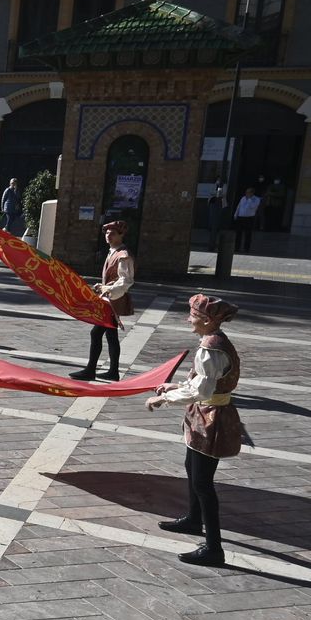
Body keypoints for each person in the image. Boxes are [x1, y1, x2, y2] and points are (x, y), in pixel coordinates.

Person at [147, 294, 247, 566]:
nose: (188, 319)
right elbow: (201, 383)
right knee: (192, 468)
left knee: (203, 482)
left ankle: (214, 548)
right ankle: (193, 520)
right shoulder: (213, 342)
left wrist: (164, 398)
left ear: (206, 319)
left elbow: (202, 390)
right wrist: (174, 387)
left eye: (191, 315)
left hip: (211, 417)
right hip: (205, 413)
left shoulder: (210, 349)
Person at [69, 217, 134, 381]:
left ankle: (91, 370)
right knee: (110, 335)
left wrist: (108, 289)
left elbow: (126, 280)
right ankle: (113, 371)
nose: (108, 236)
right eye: (106, 233)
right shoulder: (114, 251)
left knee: (96, 333)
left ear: (121, 236)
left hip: (113, 301)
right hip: (109, 300)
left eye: (112, 233)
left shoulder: (123, 255)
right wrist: (103, 285)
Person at [233, 187, 261, 252]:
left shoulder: (256, 199)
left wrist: (249, 199)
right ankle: (237, 247)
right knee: (238, 233)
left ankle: (246, 248)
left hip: (249, 218)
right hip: (240, 217)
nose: (246, 193)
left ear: (252, 193)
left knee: (248, 233)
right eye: (246, 192)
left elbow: (253, 207)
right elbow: (239, 206)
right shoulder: (243, 198)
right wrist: (235, 214)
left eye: (248, 192)